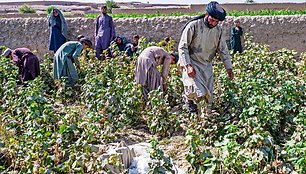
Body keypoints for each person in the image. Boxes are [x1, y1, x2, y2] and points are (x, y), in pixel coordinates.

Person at [178, 1, 233, 113]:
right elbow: (182, 47)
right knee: (197, 91)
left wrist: (229, 68)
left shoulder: (218, 30)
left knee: (208, 96)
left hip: (206, 65)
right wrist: (188, 66)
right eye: (212, 20)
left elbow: (223, 50)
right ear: (206, 14)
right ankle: (188, 101)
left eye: (216, 22)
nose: (213, 23)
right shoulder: (193, 26)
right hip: (192, 62)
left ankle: (204, 119)